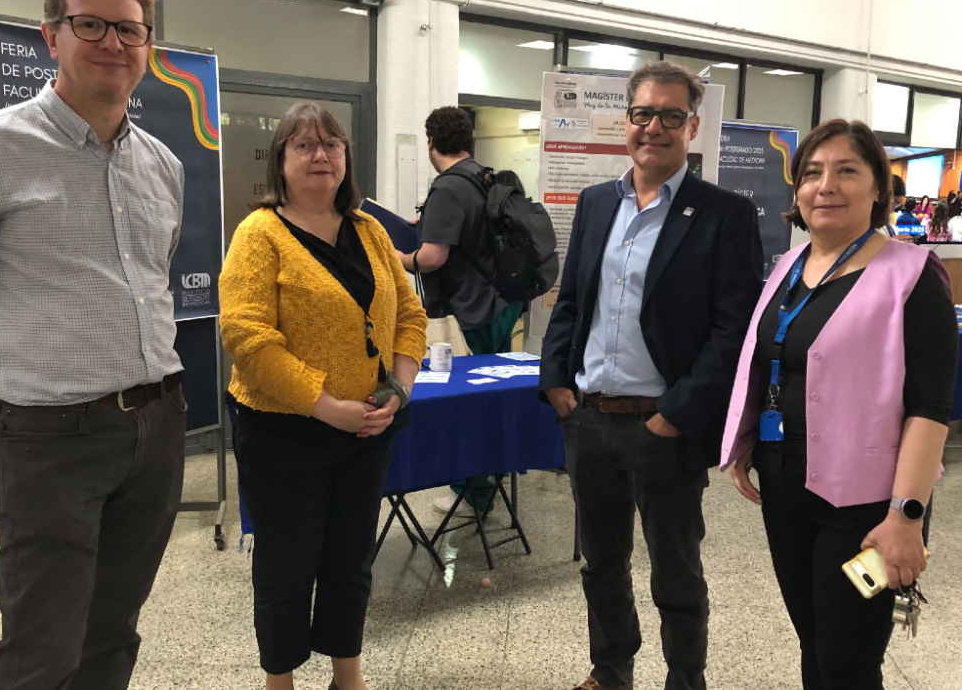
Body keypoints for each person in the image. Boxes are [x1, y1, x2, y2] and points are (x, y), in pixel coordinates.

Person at [0, 0, 188, 687]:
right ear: (51, 36)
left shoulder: (162, 164)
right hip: (48, 435)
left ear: (147, 44)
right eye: (91, 24)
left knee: (111, 634)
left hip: (154, 426)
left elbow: (152, 281)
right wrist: (9, 394)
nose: (113, 42)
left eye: (129, 29)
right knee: (40, 651)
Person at [539, 60, 764, 690]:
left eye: (671, 116)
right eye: (643, 114)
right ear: (627, 122)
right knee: (601, 563)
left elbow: (732, 334)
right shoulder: (594, 203)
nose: (654, 128)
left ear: (692, 125)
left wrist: (676, 413)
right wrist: (557, 381)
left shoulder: (723, 215)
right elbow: (572, 302)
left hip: (662, 426)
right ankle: (610, 672)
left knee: (676, 570)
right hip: (587, 419)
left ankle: (684, 681)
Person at [722, 119, 956, 690]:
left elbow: (930, 407)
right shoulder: (787, 267)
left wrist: (907, 516)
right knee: (814, 645)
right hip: (784, 484)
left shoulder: (912, 274)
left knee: (849, 663)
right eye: (812, 173)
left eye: (847, 170)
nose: (826, 185)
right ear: (797, 191)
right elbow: (773, 361)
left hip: (867, 503)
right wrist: (746, 438)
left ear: (879, 187)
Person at [220, 102, 427, 690]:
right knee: (287, 564)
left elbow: (409, 315)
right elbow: (247, 337)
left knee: (350, 560)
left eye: (332, 145)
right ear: (280, 160)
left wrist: (400, 388)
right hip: (286, 431)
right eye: (305, 145)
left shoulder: (369, 229)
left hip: (368, 429)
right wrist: (325, 404)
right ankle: (279, 680)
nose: (321, 155)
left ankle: (348, 675)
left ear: (346, 158)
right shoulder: (259, 234)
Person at [395, 106, 523, 517]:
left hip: (470, 309)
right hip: (501, 302)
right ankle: (494, 479)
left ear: (431, 143)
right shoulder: (484, 177)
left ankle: (473, 494)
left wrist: (398, 256)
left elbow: (431, 258)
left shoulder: (448, 188)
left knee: (468, 402)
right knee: (492, 395)